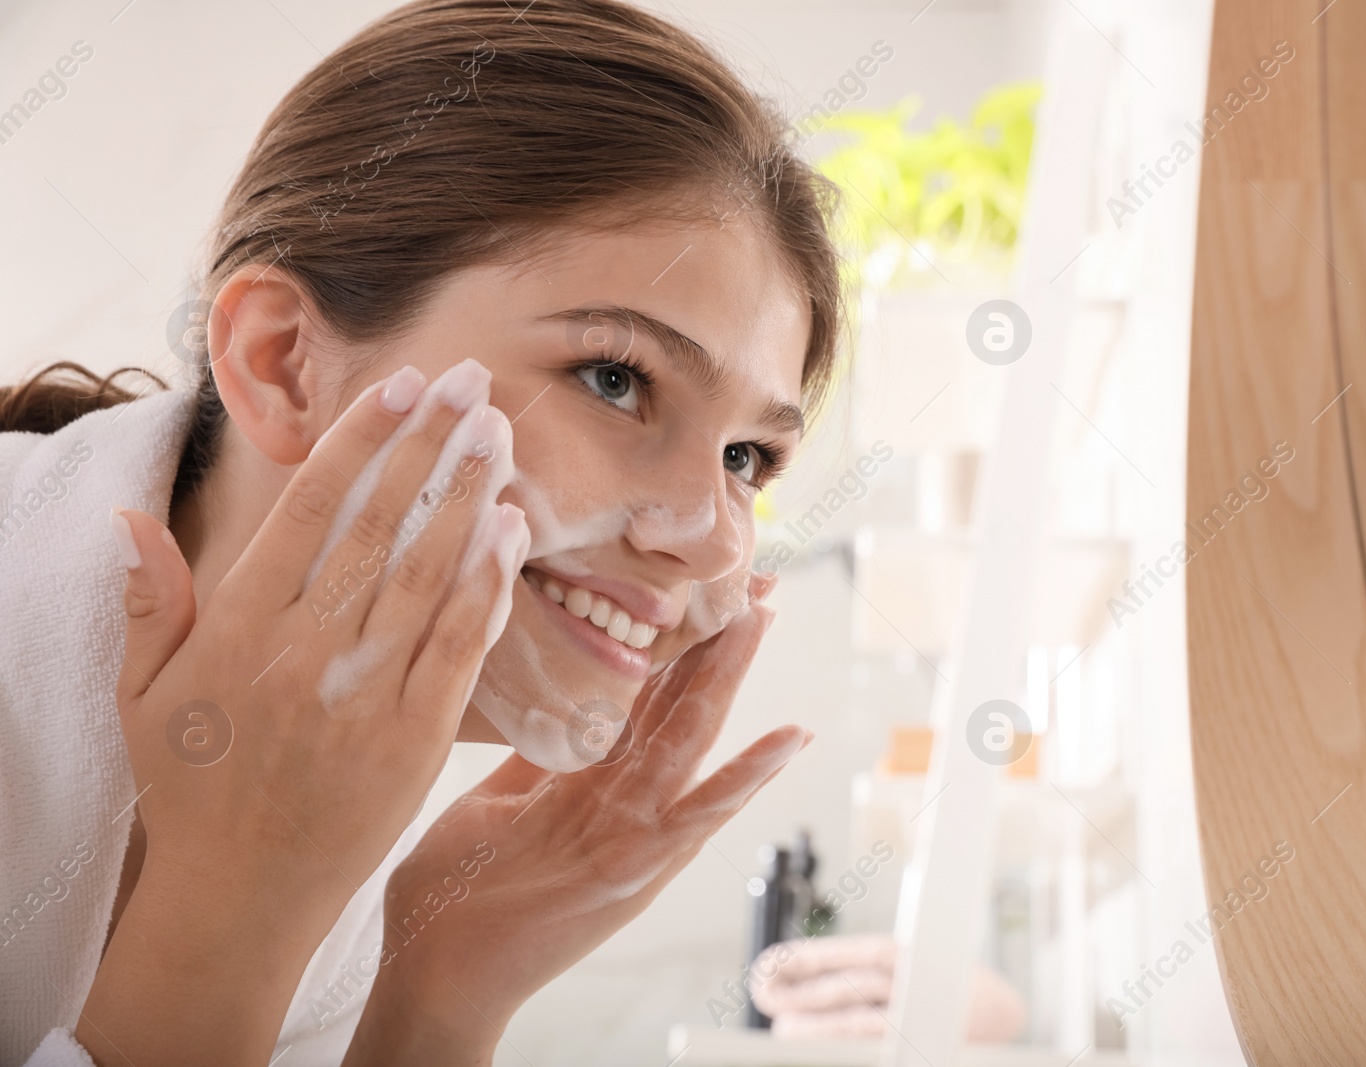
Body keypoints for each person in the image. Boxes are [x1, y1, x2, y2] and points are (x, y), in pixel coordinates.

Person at [0, 0, 841, 1062]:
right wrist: (238, 894)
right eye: (614, 376)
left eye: (744, 459)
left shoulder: (345, 748)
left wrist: (440, 988)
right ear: (282, 363)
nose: (713, 539)